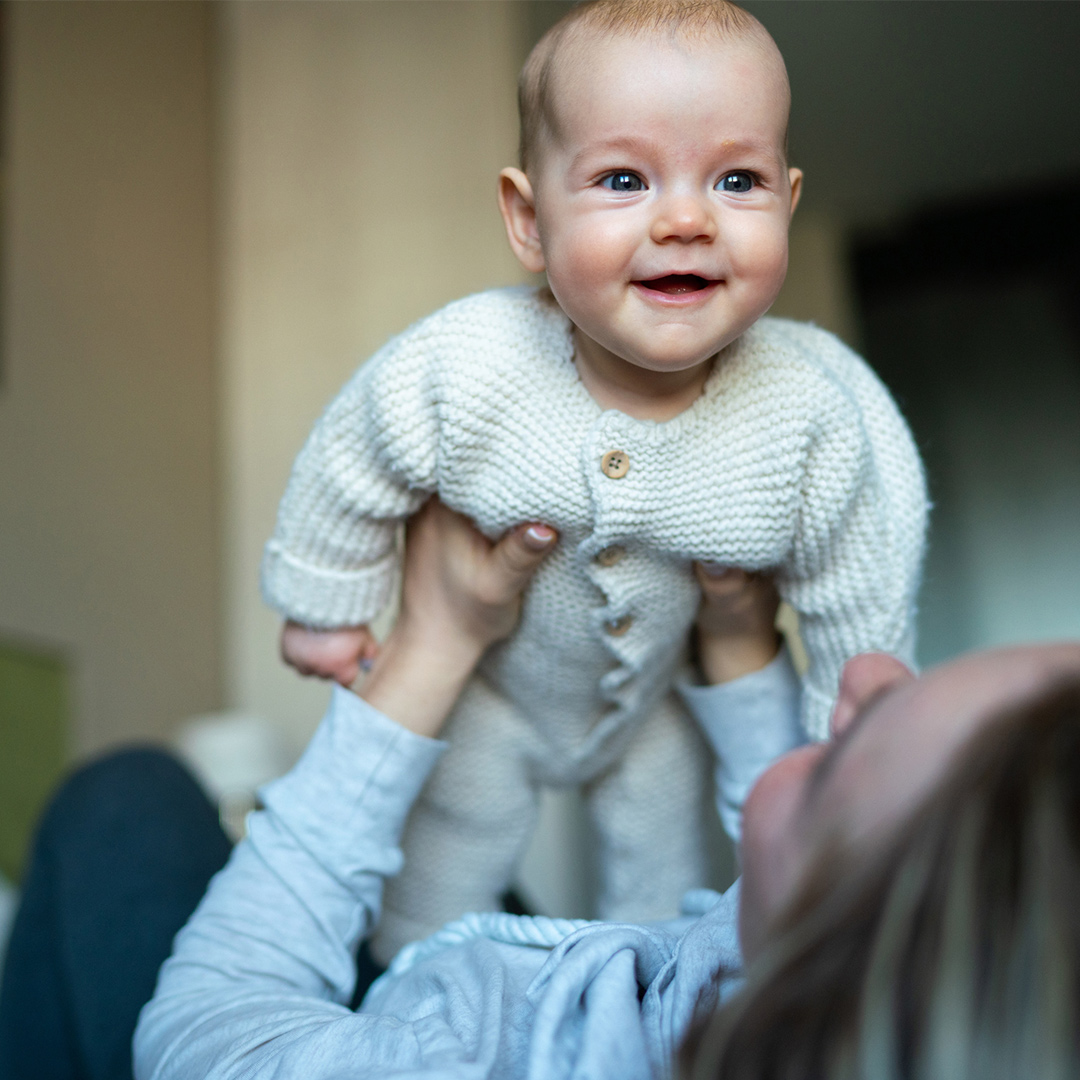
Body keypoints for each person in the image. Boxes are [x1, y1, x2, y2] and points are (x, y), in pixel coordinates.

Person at [260, 0, 928, 963]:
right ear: (530, 221)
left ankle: (628, 1024)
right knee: (439, 871)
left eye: (735, 180)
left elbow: (858, 559)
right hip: (490, 693)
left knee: (656, 899)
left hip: (657, 700)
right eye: (624, 178)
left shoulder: (809, 409)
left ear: (785, 203)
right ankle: (413, 994)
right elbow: (353, 456)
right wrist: (327, 600)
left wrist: (851, 718)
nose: (689, 218)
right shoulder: (466, 366)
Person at [130, 499, 1080, 1080]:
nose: (868, 672)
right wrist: (743, 648)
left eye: (854, 742)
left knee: (128, 801)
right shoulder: (845, 1002)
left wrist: (433, 644)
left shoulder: (483, 1062)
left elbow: (214, 1036)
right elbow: (781, 879)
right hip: (471, 963)